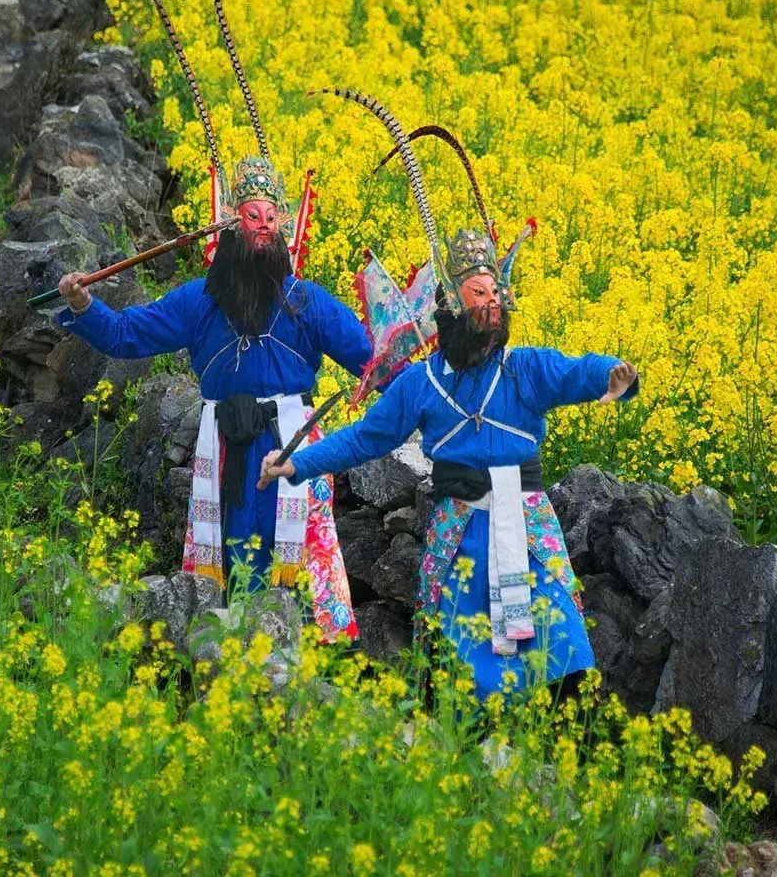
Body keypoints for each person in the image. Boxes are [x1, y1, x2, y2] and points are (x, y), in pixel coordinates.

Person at [256, 95, 638, 697]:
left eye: (495, 295)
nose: (490, 305)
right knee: (463, 659)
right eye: (477, 296)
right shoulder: (420, 383)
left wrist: (611, 373)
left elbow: (575, 372)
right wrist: (295, 463)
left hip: (528, 520)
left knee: (558, 645)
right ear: (453, 309)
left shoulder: (525, 369)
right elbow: (365, 439)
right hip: (460, 525)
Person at [57, 157, 371, 642]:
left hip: (293, 444)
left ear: (284, 227)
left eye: (272, 217)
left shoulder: (308, 301)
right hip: (225, 449)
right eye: (253, 216)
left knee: (297, 559)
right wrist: (83, 305)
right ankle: (226, 658)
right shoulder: (199, 301)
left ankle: (310, 661)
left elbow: (371, 361)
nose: (264, 226)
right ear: (230, 224)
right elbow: (125, 335)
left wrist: (422, 382)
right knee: (233, 555)